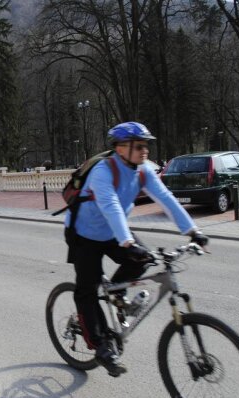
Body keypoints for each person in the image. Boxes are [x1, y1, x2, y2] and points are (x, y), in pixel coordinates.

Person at [64, 121, 209, 377]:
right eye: (139, 146)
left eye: (147, 146)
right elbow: (110, 206)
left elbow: (166, 199)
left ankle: (116, 295)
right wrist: (127, 242)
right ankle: (100, 346)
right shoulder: (103, 171)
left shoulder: (143, 172)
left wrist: (192, 231)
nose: (145, 151)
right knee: (87, 290)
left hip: (112, 232)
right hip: (84, 233)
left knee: (143, 259)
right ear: (121, 148)